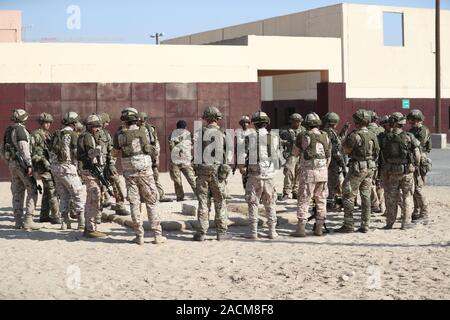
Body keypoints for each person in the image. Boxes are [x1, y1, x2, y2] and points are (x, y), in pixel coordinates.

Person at [113, 107, 165, 245]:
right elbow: (153, 149)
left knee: (134, 204)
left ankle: (139, 235)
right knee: (152, 202)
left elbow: (113, 154)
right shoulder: (145, 131)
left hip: (129, 173)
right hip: (145, 171)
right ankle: (157, 235)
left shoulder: (119, 135)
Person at [335, 109, 380, 233]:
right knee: (366, 195)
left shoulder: (354, 135)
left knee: (348, 193)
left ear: (357, 122)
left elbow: (346, 150)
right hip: (370, 166)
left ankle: (348, 224)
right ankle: (365, 225)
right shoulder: (372, 135)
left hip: (357, 167)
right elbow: (377, 151)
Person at [192, 106, 232, 241]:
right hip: (217, 171)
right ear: (217, 118)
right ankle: (221, 232)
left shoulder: (199, 134)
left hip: (202, 170)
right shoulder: (223, 134)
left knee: (203, 201)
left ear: (206, 119)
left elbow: (196, 154)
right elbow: (229, 156)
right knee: (220, 202)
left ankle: (201, 232)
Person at [291, 113, 331, 237]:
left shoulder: (302, 135)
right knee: (321, 200)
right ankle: (319, 229)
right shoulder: (326, 136)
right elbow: (328, 157)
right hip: (323, 172)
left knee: (304, 199)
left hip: (308, 173)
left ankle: (301, 229)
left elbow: (295, 153)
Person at [380, 112, 421, 230]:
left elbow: (382, 155)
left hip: (392, 172)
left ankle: (389, 223)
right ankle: (405, 223)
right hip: (407, 171)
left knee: (391, 197)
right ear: (402, 123)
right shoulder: (409, 136)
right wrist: (416, 165)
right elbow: (417, 154)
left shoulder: (385, 137)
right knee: (407, 196)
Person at [2, 109, 40, 230]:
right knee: (32, 189)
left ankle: (18, 222)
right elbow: (24, 148)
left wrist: (9, 162)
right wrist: (29, 165)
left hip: (13, 164)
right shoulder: (20, 130)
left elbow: (2, 149)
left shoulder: (8, 130)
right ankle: (28, 219)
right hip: (22, 164)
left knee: (17, 192)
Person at [243, 111, 279, 240]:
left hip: (254, 175)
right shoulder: (274, 137)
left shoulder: (250, 137)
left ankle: (253, 231)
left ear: (254, 124)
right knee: (270, 203)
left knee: (253, 203)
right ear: (266, 123)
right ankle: (272, 231)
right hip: (269, 175)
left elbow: (243, 157)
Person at [49, 111, 85, 230]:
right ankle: (81, 222)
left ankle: (65, 222)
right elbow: (75, 154)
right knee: (78, 192)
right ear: (74, 123)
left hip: (55, 168)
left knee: (63, 195)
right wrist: (78, 169)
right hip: (68, 167)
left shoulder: (56, 133)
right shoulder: (73, 134)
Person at [77, 114, 109, 238]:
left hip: (90, 170)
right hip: (90, 171)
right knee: (93, 197)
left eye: (99, 126)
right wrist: (99, 150)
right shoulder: (88, 137)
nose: (98, 129)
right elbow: (91, 155)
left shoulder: (87, 136)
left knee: (93, 197)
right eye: (96, 126)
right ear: (89, 126)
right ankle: (90, 229)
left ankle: (89, 227)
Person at [31, 112, 60, 224]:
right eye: (45, 122)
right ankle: (55, 216)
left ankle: (43, 215)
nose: (47, 124)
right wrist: (42, 160)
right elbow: (32, 152)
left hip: (50, 166)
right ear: (41, 123)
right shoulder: (35, 135)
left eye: (49, 122)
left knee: (48, 191)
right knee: (52, 189)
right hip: (42, 167)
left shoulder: (48, 135)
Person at [98, 112, 129, 217]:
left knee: (116, 181)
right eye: (106, 122)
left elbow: (111, 149)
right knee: (98, 188)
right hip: (95, 166)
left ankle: (120, 206)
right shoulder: (90, 134)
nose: (107, 124)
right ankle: (98, 211)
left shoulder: (106, 134)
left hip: (107, 164)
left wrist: (111, 163)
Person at [137, 112, 170, 202]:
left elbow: (155, 143)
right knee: (141, 177)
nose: (142, 123)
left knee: (155, 175)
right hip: (140, 156)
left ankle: (161, 195)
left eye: (144, 121)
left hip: (151, 155)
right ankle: (142, 197)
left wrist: (156, 156)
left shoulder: (150, 129)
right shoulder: (135, 129)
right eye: (141, 121)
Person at [407, 109, 431, 222]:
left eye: (412, 121)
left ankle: (424, 213)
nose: (410, 124)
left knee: (418, 188)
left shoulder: (423, 130)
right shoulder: (413, 130)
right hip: (413, 159)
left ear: (418, 120)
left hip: (421, 160)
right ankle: (416, 211)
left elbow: (418, 144)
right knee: (414, 188)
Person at [322, 112, 346, 211]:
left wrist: (344, 131)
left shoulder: (324, 132)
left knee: (330, 184)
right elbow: (335, 150)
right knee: (332, 184)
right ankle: (330, 205)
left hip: (327, 162)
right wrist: (342, 164)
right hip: (333, 163)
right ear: (335, 122)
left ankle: (331, 202)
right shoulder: (330, 133)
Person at [168, 120, 197, 201]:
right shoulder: (172, 135)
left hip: (186, 161)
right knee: (177, 181)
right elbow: (172, 148)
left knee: (192, 179)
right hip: (175, 162)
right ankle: (180, 197)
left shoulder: (189, 135)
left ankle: (199, 195)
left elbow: (192, 145)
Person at [280, 113, 304, 200]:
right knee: (288, 171)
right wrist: (285, 142)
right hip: (291, 154)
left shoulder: (304, 130)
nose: (299, 123)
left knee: (299, 172)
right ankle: (286, 192)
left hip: (301, 154)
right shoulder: (285, 130)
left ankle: (295, 191)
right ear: (292, 121)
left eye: (300, 121)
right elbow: (279, 140)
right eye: (297, 121)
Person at [234, 115, 252, 190]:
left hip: (250, 154)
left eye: (246, 123)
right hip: (241, 154)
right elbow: (236, 144)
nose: (245, 124)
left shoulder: (252, 132)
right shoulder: (237, 132)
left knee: (251, 173)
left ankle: (251, 189)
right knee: (243, 173)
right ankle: (246, 189)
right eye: (243, 123)